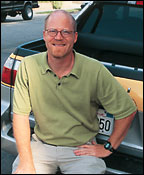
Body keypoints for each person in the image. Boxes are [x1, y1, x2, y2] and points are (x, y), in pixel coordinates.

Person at [12, 10, 137, 174]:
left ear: (75, 37)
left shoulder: (94, 70)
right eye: (53, 31)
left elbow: (127, 110)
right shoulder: (28, 66)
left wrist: (108, 147)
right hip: (41, 146)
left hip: (81, 151)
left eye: (66, 32)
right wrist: (26, 162)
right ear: (44, 35)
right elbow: (20, 116)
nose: (58, 37)